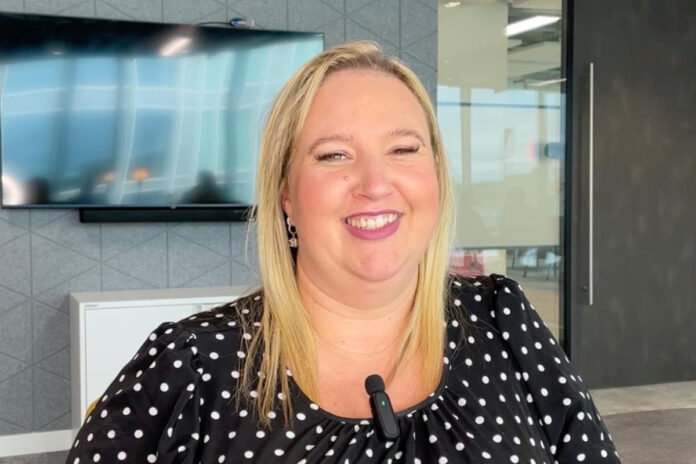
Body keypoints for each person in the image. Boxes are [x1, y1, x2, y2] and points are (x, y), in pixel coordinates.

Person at [66, 41, 620, 463]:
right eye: (334, 155)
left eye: (403, 149)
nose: (375, 184)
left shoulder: (502, 318)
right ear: (285, 194)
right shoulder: (190, 366)